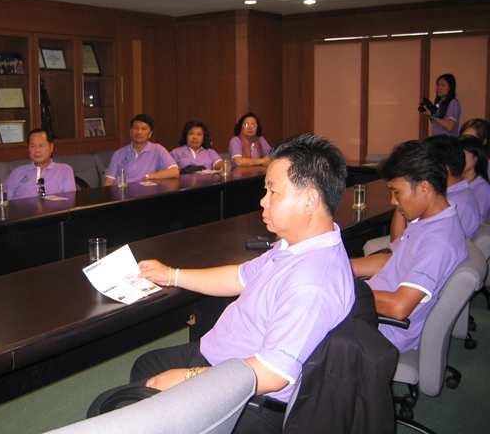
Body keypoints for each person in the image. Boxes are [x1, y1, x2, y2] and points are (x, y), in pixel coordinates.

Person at [93, 134, 355, 433]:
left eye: (273, 191)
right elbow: (237, 277)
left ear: (309, 200)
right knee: (145, 365)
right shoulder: (297, 245)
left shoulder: (311, 283)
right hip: (222, 353)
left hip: (246, 394)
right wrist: (171, 275)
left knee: (107, 408)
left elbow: (271, 375)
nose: (263, 200)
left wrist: (191, 377)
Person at [351, 140, 467, 353]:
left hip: (382, 329)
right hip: (371, 309)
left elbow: (399, 307)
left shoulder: (439, 241)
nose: (393, 201)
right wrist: (348, 267)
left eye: (397, 192)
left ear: (424, 187)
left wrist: (344, 290)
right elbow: (397, 259)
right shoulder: (429, 221)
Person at [103, 114, 179, 186]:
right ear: (130, 132)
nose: (139, 132)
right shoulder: (119, 153)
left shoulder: (157, 149)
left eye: (144, 128)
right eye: (135, 128)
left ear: (150, 134)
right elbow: (109, 180)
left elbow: (175, 172)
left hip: (144, 192)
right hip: (121, 191)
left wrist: (149, 176)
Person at [5, 128, 75, 200]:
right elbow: (3, 200)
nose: (37, 150)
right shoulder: (17, 172)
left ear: (51, 147)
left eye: (41, 145)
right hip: (20, 207)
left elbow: (70, 201)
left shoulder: (64, 170)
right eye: (33, 146)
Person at [458, 134, 490, 221]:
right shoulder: (455, 179)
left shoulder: (482, 188)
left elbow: (479, 220)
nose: (459, 158)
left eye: (463, 154)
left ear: (476, 156)